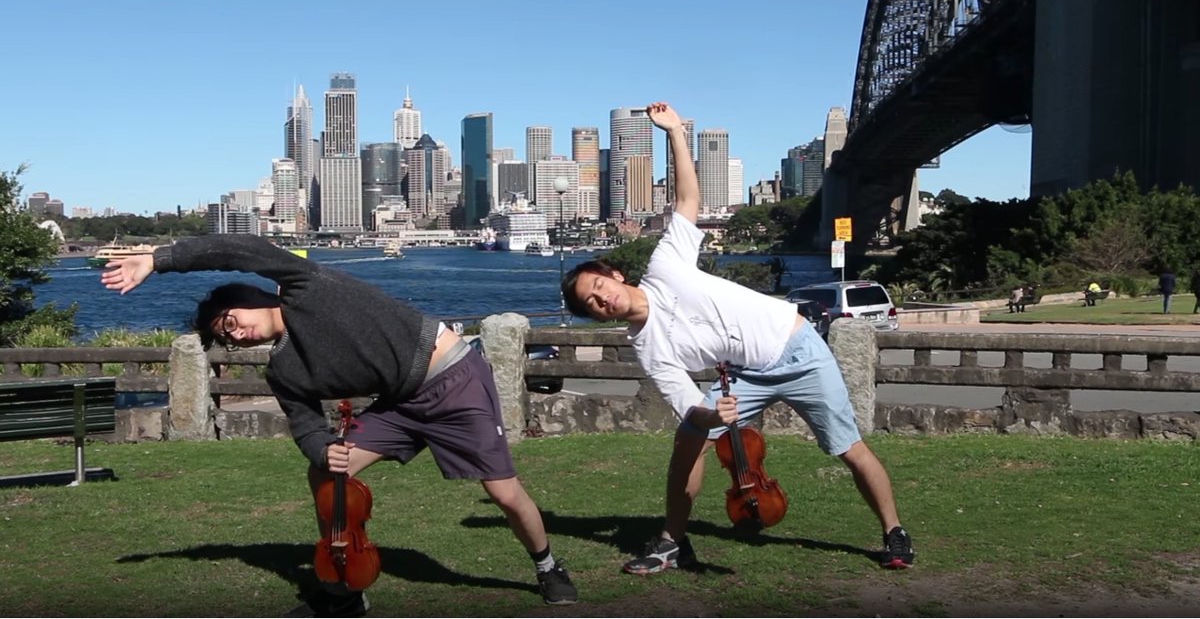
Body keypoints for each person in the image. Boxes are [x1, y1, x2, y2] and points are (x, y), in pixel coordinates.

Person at [100, 238, 578, 615]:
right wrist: (321, 448)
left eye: (230, 321)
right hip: (401, 403)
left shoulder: (306, 285)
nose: (235, 334)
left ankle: (547, 566)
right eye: (226, 338)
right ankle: (344, 590)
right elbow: (306, 423)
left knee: (503, 492)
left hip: (453, 379)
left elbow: (239, 250)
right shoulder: (284, 371)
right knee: (326, 472)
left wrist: (159, 260)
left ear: (250, 297)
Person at [561, 102, 915, 574]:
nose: (601, 299)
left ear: (614, 274)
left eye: (598, 286)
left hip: (799, 349)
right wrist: (713, 415)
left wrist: (675, 133)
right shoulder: (646, 345)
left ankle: (894, 533)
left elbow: (687, 200)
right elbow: (687, 403)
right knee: (689, 440)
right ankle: (672, 543)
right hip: (745, 375)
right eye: (590, 303)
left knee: (848, 447)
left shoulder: (664, 265)